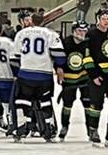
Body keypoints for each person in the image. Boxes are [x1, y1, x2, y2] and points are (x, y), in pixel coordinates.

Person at [10, 13, 66, 141]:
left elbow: (14, 57)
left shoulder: (21, 34)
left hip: (25, 75)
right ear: (44, 21)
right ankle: (49, 130)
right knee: (45, 102)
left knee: (22, 102)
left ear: (31, 21)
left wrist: (17, 72)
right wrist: (59, 66)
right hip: (44, 76)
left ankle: (21, 129)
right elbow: (59, 55)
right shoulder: (51, 34)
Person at [83, 8, 108, 145]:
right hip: (98, 76)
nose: (106, 21)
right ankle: (93, 130)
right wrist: (93, 75)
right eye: (104, 18)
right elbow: (87, 57)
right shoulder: (91, 34)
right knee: (96, 104)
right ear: (98, 20)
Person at [58, 21, 90, 141]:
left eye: (84, 31)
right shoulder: (65, 43)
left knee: (88, 104)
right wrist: (59, 68)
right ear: (73, 31)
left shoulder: (88, 43)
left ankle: (90, 129)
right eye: (79, 31)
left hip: (84, 78)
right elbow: (59, 58)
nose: (81, 33)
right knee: (67, 104)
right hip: (69, 78)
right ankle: (64, 127)